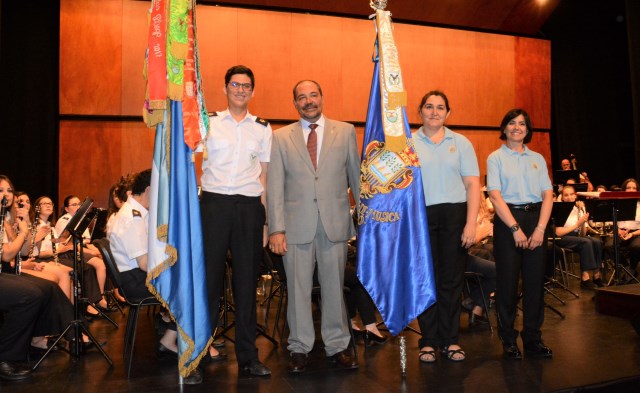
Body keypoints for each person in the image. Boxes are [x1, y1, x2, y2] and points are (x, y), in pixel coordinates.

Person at [267, 80, 360, 373]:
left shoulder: (345, 131)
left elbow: (356, 178)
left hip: (335, 224)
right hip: (295, 227)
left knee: (335, 288)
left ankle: (337, 345)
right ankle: (299, 348)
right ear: (295, 103)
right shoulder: (281, 137)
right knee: (298, 290)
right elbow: (275, 187)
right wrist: (275, 229)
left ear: (322, 97)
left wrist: (366, 223)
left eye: (313, 95)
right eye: (302, 97)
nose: (309, 101)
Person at [199, 65, 272, 376]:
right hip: (213, 206)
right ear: (225, 88)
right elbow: (192, 166)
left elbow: (265, 177)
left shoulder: (263, 128)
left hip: (249, 209)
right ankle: (199, 353)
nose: (241, 90)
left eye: (246, 86)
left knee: (245, 284)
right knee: (209, 284)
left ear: (252, 91)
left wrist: (266, 222)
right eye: (235, 84)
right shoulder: (208, 122)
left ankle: (248, 356)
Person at [108, 169, 202, 384]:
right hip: (135, 281)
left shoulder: (139, 212)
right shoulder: (131, 218)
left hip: (137, 276)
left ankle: (169, 341)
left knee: (188, 284)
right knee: (189, 291)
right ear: (150, 189)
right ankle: (187, 362)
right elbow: (144, 264)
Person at [412, 90, 480, 363]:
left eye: (440, 107)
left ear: (448, 113)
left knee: (451, 281)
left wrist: (470, 224)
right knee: (425, 280)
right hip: (420, 218)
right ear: (420, 111)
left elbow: (473, 184)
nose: (434, 112)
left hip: (454, 216)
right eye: (429, 106)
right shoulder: (407, 143)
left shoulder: (461, 142)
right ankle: (428, 340)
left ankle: (451, 340)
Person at [487, 108, 554, 360]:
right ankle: (508, 339)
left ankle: (533, 338)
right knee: (507, 285)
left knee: (536, 284)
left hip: (536, 219)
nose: (517, 127)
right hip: (508, 222)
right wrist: (515, 228)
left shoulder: (537, 158)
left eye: (522, 124)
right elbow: (495, 195)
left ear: (528, 130)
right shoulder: (495, 158)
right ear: (504, 128)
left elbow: (548, 194)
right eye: (512, 123)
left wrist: (539, 228)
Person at [555, 185, 605, 289]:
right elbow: (558, 233)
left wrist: (582, 220)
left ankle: (596, 276)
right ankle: (585, 279)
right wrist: (577, 224)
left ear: (575, 196)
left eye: (571, 194)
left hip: (575, 237)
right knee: (586, 242)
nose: (569, 197)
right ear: (562, 197)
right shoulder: (559, 208)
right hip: (562, 238)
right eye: (566, 195)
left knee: (596, 241)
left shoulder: (577, 208)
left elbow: (582, 234)